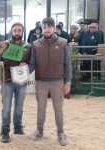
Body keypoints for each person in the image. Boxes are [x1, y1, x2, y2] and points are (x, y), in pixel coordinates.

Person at [28, 17, 72, 146]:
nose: (47, 29)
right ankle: (39, 131)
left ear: (54, 28)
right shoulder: (36, 44)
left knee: (58, 109)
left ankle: (61, 133)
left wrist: (68, 82)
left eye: (49, 27)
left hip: (57, 82)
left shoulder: (63, 43)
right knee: (41, 108)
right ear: (42, 29)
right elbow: (32, 64)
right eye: (44, 27)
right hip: (41, 82)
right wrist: (21, 71)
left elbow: (67, 65)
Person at [0, 22, 32, 143]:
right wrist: (0, 63)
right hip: (7, 81)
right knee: (6, 108)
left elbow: (32, 63)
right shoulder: (4, 45)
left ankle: (18, 128)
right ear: (11, 32)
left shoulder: (28, 46)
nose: (17, 32)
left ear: (22, 32)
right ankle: (5, 131)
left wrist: (27, 66)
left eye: (19, 30)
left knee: (19, 107)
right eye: (15, 30)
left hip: (21, 81)